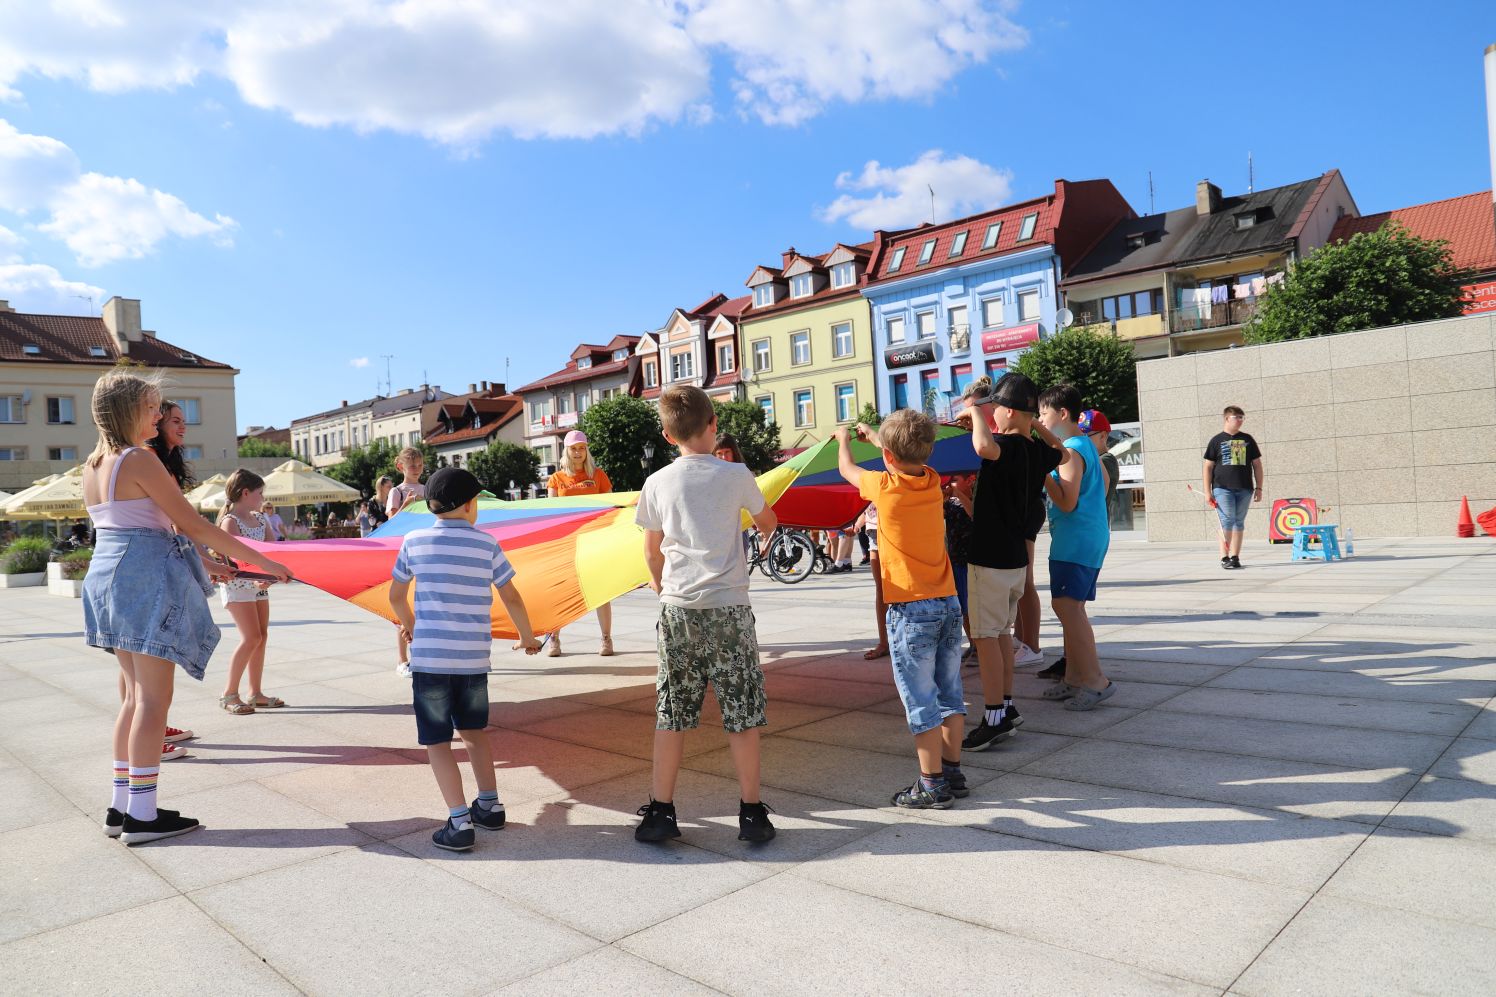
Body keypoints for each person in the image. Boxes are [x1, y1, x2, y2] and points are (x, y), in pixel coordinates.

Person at [83, 369, 292, 845]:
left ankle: (121, 808)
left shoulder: (95, 464)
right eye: (153, 407)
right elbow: (191, 524)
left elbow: (135, 526)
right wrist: (264, 560)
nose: (159, 416)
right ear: (130, 409)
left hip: (109, 578)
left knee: (135, 699)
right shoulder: (139, 458)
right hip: (143, 581)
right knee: (154, 702)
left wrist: (205, 564)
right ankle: (143, 816)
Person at [634, 386, 779, 844]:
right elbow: (768, 522)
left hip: (679, 610)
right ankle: (752, 813)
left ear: (666, 433)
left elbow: (651, 551)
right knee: (742, 713)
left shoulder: (657, 482)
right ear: (714, 426)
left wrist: (663, 589)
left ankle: (661, 811)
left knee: (672, 712)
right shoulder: (736, 473)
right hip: (730, 609)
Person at [388, 467, 542, 852]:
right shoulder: (486, 544)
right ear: (471, 505)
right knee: (474, 734)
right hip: (474, 661)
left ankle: (459, 822)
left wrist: (411, 626)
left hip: (430, 662)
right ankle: (489, 805)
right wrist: (527, 637)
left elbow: (395, 596)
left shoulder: (413, 540)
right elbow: (511, 596)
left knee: (438, 742)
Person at [835, 412, 966, 809]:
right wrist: (877, 438)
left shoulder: (883, 488)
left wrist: (844, 438)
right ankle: (953, 770)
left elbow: (847, 469)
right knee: (950, 693)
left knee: (921, 697)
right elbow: (903, 457)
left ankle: (931, 784)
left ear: (887, 457)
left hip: (911, 609)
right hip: (948, 602)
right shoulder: (931, 481)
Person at [955, 373, 1069, 750]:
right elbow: (1063, 452)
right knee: (1002, 634)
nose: (991, 418)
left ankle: (993, 717)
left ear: (1004, 412)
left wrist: (973, 413)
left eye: (994, 411)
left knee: (987, 639)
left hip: (989, 560)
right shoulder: (1035, 450)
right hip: (1015, 562)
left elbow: (984, 447)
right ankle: (1004, 706)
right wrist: (1034, 423)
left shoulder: (1002, 444)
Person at [1037, 384, 1115, 711]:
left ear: (1062, 413)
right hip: (1083, 538)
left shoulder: (1070, 450)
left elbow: (1067, 503)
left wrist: (1044, 473)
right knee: (1072, 607)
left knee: (1067, 608)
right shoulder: (1081, 444)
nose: (1040, 417)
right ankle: (1072, 678)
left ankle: (1096, 681)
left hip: (1076, 540)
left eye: (1043, 412)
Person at [215, 469, 285, 714]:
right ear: (246, 493)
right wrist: (259, 577)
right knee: (251, 638)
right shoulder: (230, 522)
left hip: (259, 584)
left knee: (261, 636)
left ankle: (255, 693)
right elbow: (234, 558)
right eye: (259, 492)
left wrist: (270, 577)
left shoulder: (260, 518)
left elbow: (271, 550)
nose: (262, 497)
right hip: (238, 585)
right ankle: (228, 694)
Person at [546, 431, 616, 656]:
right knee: (559, 592)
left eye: (582, 448)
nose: (578, 452)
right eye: (574, 448)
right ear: (566, 451)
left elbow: (611, 507)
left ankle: (606, 639)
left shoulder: (599, 476)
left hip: (594, 541)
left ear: (587, 450)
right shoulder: (556, 479)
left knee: (601, 591)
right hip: (566, 543)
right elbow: (551, 513)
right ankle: (553, 639)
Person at [1203, 405, 1263, 570]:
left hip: (1245, 488)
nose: (1240, 421)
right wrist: (1208, 492)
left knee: (1238, 522)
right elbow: (1208, 467)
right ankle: (1224, 557)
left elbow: (1257, 465)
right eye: (1237, 417)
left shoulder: (1248, 439)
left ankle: (1235, 556)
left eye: (1242, 418)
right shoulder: (1216, 440)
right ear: (1227, 418)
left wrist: (1259, 488)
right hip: (1222, 488)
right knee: (1227, 520)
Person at [387, 448, 426, 675]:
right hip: (402, 552)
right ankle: (402, 660)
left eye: (420, 465)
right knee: (402, 608)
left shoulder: (427, 488)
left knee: (420, 605)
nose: (417, 469)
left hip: (423, 550)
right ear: (400, 466)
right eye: (412, 466)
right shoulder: (397, 491)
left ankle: (420, 655)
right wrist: (407, 505)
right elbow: (392, 521)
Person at [942, 473, 976, 661]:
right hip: (955, 560)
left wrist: (957, 493)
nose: (951, 483)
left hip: (972, 561)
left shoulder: (975, 498)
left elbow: (973, 513)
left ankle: (979, 645)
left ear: (970, 480)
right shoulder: (951, 502)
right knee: (962, 607)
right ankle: (973, 643)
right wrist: (943, 497)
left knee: (973, 606)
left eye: (955, 479)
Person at [856, 502, 888, 659]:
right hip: (873, 533)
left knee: (901, 589)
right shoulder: (868, 478)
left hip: (892, 530)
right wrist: (856, 524)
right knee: (881, 590)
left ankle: (894, 641)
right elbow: (867, 507)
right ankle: (884, 643)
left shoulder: (886, 477)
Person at [1082, 410, 1120, 527]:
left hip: (1094, 526)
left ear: (1103, 436)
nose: (1080, 441)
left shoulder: (1107, 460)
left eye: (1085, 436)